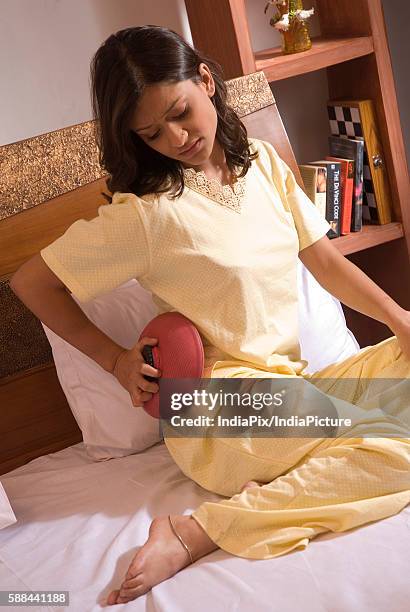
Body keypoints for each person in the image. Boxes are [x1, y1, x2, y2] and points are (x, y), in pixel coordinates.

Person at [10, 25, 410, 606]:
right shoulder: (146, 217)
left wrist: (400, 319)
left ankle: (287, 484)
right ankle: (196, 531)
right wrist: (115, 360)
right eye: (150, 132)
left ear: (206, 81)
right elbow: (32, 283)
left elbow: (323, 262)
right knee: (398, 446)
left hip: (296, 388)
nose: (175, 138)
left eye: (181, 113)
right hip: (218, 411)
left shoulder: (265, 165)